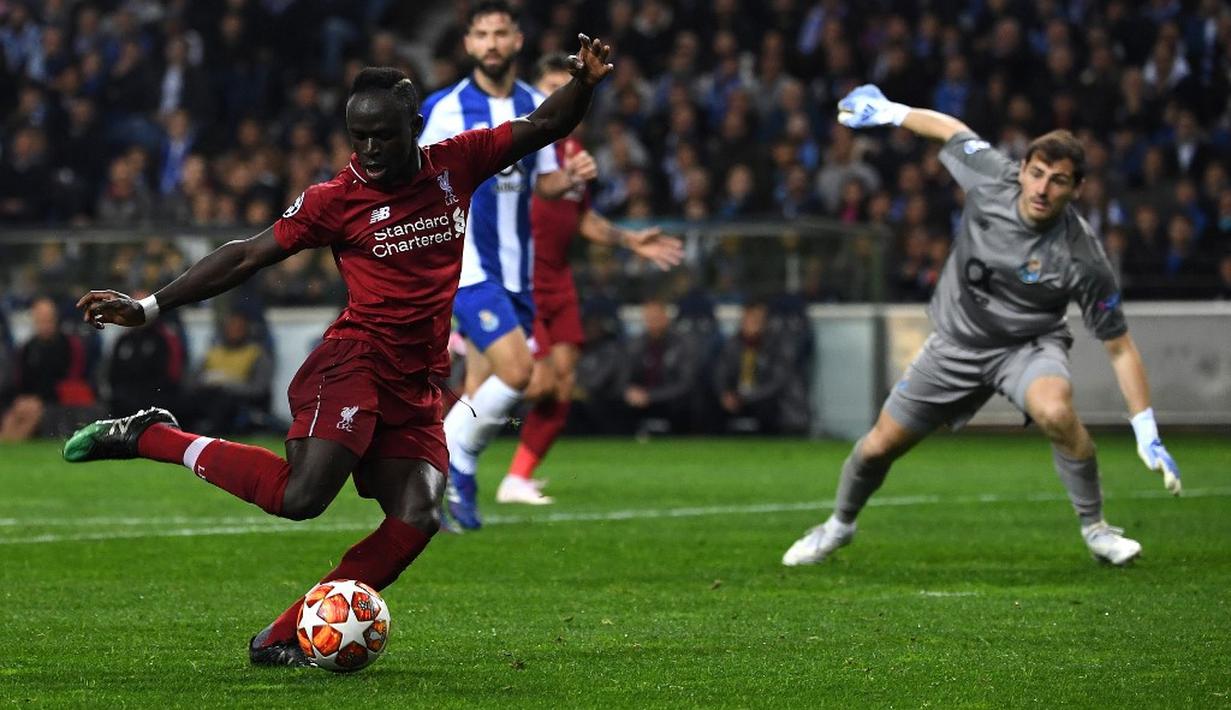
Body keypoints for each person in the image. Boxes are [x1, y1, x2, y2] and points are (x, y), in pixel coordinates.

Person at [61, 35, 614, 667]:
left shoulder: (456, 163)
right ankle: (153, 437)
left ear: (415, 125)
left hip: (418, 381)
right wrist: (148, 305)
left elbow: (545, 122)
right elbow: (246, 254)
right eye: (359, 137)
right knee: (302, 499)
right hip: (354, 362)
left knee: (419, 512)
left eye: (383, 136)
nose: (370, 151)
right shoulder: (335, 199)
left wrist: (585, 84)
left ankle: (286, 633)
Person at [783, 85, 1182, 568]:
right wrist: (894, 112)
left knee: (1056, 413)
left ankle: (1096, 529)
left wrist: (1145, 427)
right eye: (1036, 174)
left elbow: (1119, 347)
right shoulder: (992, 177)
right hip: (956, 344)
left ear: (1076, 189)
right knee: (875, 449)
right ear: (1022, 170)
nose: (1041, 188)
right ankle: (838, 527)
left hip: (1027, 347)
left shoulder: (1083, 256)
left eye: (1058, 181)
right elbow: (951, 130)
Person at [417, 1, 599, 529]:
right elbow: (415, 185)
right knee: (521, 374)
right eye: (482, 34)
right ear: (469, 44)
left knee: (479, 387)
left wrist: (570, 179)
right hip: (469, 268)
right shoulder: (442, 110)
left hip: (518, 273)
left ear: (517, 40)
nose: (492, 43)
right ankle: (458, 464)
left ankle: (433, 488)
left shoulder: (536, 104)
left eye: (501, 33)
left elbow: (543, 182)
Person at [495, 53, 684, 505]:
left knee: (562, 384)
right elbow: (545, 189)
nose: (564, 95)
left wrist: (628, 240)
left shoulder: (575, 151)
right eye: (554, 88)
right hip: (520, 278)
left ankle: (517, 478)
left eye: (573, 86)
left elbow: (583, 220)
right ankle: (451, 442)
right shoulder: (520, 146)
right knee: (533, 382)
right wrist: (562, 177)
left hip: (559, 279)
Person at [0, 297, 96, 441]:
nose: (44, 324)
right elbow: (21, 380)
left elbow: (73, 378)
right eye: (40, 319)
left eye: (47, 319)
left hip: (56, 399)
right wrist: (23, 399)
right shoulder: (28, 347)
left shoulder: (69, 345)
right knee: (12, 416)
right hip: (30, 401)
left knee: (32, 413)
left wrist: (40, 399)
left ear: (55, 318)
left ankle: (11, 445)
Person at [712, 301, 793, 434]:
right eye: (748, 318)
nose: (751, 323)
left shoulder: (776, 345)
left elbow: (777, 382)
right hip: (736, 397)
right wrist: (724, 394)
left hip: (762, 399)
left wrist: (746, 397)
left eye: (756, 319)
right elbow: (720, 374)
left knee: (768, 408)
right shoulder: (731, 344)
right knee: (712, 405)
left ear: (764, 322)